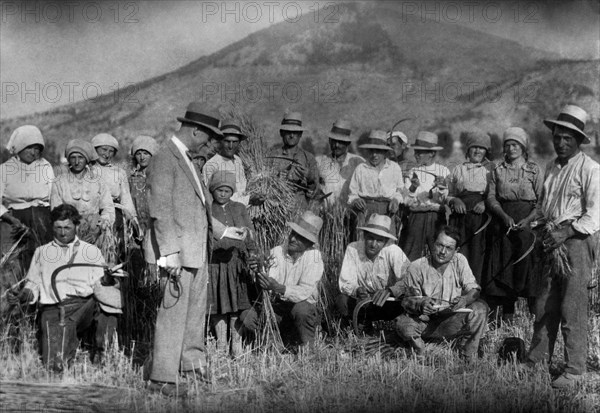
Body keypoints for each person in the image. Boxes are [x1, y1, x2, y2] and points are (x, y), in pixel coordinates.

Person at [145, 102, 244, 398]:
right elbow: (160, 210)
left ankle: (191, 367)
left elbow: (197, 211)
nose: (211, 142)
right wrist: (170, 253)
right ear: (196, 131)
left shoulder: (187, 159)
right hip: (177, 254)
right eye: (208, 136)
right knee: (173, 314)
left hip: (196, 253)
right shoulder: (164, 158)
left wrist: (224, 231)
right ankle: (162, 378)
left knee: (194, 314)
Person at [526, 105, 600, 389]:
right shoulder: (551, 168)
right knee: (545, 305)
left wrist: (567, 232)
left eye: (568, 137)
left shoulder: (591, 169)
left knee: (572, 307)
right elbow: (545, 206)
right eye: (558, 136)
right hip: (550, 240)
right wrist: (540, 227)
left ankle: (574, 369)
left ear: (579, 140)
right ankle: (536, 362)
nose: (561, 142)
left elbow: (594, 215)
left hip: (576, 244)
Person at [6, 204, 122, 371]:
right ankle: (67, 346)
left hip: (84, 307)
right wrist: (22, 295)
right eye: (58, 227)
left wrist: (109, 276)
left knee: (109, 304)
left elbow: (100, 283)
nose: (62, 232)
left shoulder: (91, 251)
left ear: (76, 226)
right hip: (54, 309)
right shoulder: (41, 252)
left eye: (67, 227)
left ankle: (103, 355)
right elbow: (33, 286)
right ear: (51, 226)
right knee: (54, 366)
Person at [392, 225, 489, 362]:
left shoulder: (460, 261)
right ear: (433, 244)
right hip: (424, 324)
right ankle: (419, 350)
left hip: (449, 320)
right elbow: (407, 300)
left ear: (456, 251)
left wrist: (464, 300)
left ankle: (468, 355)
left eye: (449, 248)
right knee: (403, 325)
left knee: (480, 309)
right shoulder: (417, 266)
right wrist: (421, 305)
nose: (442, 252)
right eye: (439, 245)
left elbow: (474, 290)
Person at [485, 127, 543, 322]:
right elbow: (491, 197)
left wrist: (527, 221)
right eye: (508, 145)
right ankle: (507, 318)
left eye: (515, 144)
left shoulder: (534, 170)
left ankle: (535, 319)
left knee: (528, 268)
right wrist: (503, 215)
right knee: (505, 268)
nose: (511, 149)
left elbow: (542, 202)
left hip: (527, 224)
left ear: (523, 147)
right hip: (503, 224)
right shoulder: (498, 170)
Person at [254, 211, 324, 347]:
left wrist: (278, 288)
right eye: (293, 234)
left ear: (309, 243)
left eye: (300, 237)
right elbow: (270, 281)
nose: (292, 239)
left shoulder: (314, 258)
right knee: (250, 318)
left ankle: (308, 347)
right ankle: (276, 342)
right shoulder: (277, 252)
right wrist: (260, 274)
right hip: (279, 307)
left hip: (302, 308)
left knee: (301, 310)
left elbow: (304, 292)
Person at [207, 171, 257, 357]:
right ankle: (220, 344)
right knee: (219, 304)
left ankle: (236, 343)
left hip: (237, 263)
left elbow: (250, 232)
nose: (223, 194)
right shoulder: (207, 209)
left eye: (228, 190)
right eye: (219, 190)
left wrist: (252, 251)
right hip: (215, 265)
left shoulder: (239, 208)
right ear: (212, 190)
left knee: (237, 304)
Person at [337, 214, 409, 327]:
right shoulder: (353, 249)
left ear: (385, 242)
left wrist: (391, 290)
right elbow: (345, 281)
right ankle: (355, 326)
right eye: (370, 238)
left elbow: (409, 279)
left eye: (379, 240)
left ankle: (390, 326)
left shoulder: (393, 251)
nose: (373, 244)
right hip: (362, 301)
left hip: (388, 302)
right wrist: (357, 290)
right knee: (342, 300)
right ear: (364, 236)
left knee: (406, 301)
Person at [1, 125, 55, 269]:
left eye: (37, 148)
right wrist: (11, 219)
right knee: (19, 261)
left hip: (43, 218)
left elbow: (53, 195)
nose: (33, 152)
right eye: (29, 147)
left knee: (45, 259)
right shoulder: (5, 169)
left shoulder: (45, 166)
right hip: (16, 220)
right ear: (19, 147)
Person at [447, 129, 494, 283]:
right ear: (468, 149)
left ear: (486, 150)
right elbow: (449, 194)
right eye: (474, 147)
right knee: (460, 252)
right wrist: (455, 200)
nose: (477, 151)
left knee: (478, 253)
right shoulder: (458, 169)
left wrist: (485, 203)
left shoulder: (491, 170)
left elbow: (496, 194)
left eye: (481, 148)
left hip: (480, 218)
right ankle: (457, 289)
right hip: (460, 218)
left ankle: (475, 291)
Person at [402, 131, 451, 261]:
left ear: (432, 153)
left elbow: (444, 199)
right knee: (412, 254)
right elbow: (407, 201)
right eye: (415, 151)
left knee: (438, 253)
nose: (416, 154)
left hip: (436, 217)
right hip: (416, 218)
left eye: (420, 152)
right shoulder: (413, 171)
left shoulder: (443, 171)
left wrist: (440, 189)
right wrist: (413, 187)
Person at [50, 139, 115, 234]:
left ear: (86, 159)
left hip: (96, 231)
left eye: (80, 157)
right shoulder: (59, 182)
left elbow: (108, 208)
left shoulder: (98, 181)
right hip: (69, 232)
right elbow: (56, 212)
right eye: (73, 157)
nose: (77, 162)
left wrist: (99, 228)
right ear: (68, 159)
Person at [348, 130, 404, 239]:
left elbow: (400, 190)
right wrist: (356, 200)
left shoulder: (394, 168)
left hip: (387, 211)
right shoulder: (361, 168)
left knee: (386, 244)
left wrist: (396, 200)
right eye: (371, 151)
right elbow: (352, 193)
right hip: (366, 210)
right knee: (364, 243)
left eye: (378, 151)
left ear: (385, 152)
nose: (374, 155)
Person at [91, 133, 138, 253]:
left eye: (111, 151)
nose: (107, 154)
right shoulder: (87, 170)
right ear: (94, 149)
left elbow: (126, 198)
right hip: (93, 215)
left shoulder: (119, 172)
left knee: (115, 251)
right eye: (104, 150)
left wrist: (134, 220)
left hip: (116, 217)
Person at [268, 112, 320, 209]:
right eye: (288, 131)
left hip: (299, 209)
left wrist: (310, 177)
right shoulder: (272, 156)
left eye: (295, 132)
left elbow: (315, 193)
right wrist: (277, 180)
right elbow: (262, 184)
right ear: (281, 133)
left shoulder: (309, 158)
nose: (292, 135)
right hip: (275, 207)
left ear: (300, 134)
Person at [203, 121, 259, 206]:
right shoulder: (212, 165)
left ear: (239, 142)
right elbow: (213, 198)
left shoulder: (238, 160)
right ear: (220, 141)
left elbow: (241, 189)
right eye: (227, 141)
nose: (231, 146)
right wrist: (248, 200)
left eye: (235, 142)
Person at [315, 119, 364, 207]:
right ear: (329, 140)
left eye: (340, 142)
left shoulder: (358, 163)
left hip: (351, 215)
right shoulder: (319, 162)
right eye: (334, 141)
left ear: (347, 143)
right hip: (326, 214)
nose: (336, 145)